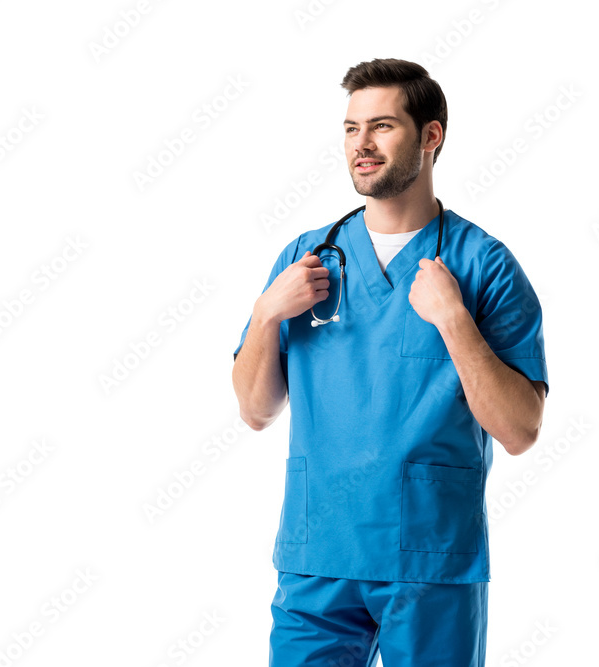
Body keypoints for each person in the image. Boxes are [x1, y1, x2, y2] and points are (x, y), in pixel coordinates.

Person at [231, 58, 548, 667]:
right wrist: (267, 315)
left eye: (382, 126)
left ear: (431, 136)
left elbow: (520, 430)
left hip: (427, 559)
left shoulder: (483, 265)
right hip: (317, 555)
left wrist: (455, 321)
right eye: (351, 129)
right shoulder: (307, 256)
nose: (362, 146)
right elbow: (254, 410)